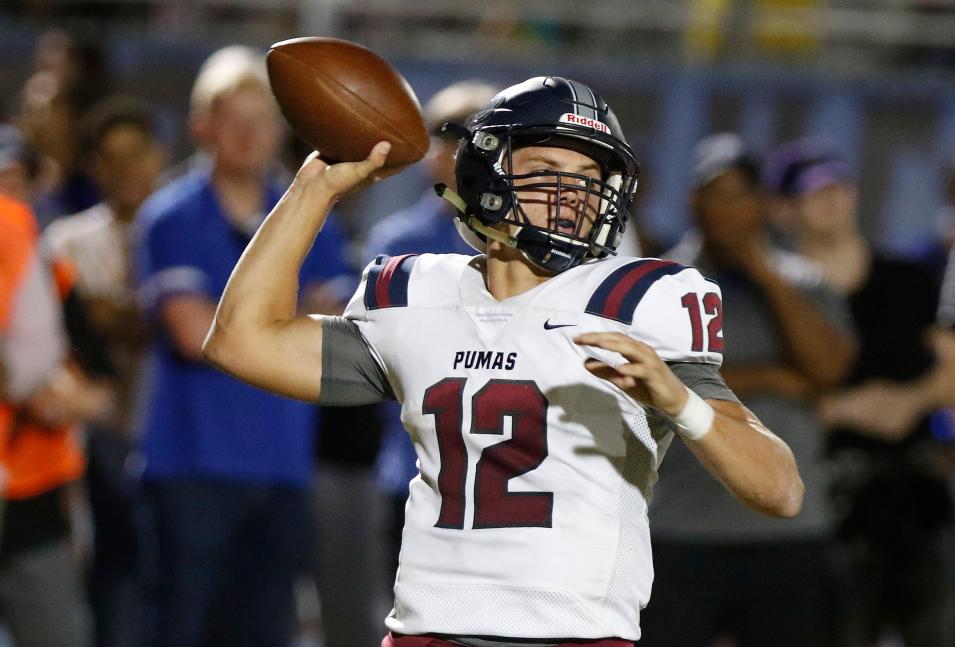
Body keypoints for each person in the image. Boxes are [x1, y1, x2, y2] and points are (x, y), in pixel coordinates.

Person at [203, 76, 803, 645]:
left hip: (577, 635)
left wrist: (678, 399)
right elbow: (241, 340)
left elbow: (780, 491)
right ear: (488, 177)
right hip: (429, 629)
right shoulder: (416, 293)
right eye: (547, 172)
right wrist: (317, 184)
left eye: (589, 178)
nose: (573, 196)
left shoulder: (638, 301)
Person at [133, 46, 348, 647]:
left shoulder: (315, 220)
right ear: (202, 125)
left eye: (264, 119)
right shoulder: (170, 215)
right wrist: (288, 319)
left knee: (264, 631)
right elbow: (191, 333)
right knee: (177, 630)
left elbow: (334, 329)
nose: (251, 135)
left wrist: (258, 324)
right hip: (190, 469)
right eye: (235, 117)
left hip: (282, 468)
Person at [640, 134, 856, 647]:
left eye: (741, 195)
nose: (728, 210)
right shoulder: (659, 283)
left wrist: (767, 275)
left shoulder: (804, 281)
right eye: (716, 194)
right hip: (679, 524)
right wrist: (772, 379)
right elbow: (652, 379)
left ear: (762, 203)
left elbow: (829, 370)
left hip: (789, 530)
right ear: (693, 201)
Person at [766, 139, 955, 647]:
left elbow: (953, 368)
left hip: (919, 492)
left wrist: (909, 403)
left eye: (839, 186)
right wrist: (836, 408)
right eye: (814, 192)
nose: (832, 199)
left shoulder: (909, 279)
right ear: (784, 210)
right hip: (825, 498)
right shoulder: (781, 297)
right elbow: (751, 381)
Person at [361, 78, 497, 587]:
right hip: (418, 473)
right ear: (428, 154)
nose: (463, 152)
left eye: (480, 137)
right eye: (450, 137)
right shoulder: (397, 244)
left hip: (518, 478)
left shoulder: (541, 245)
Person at [44, 95, 166, 647]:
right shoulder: (66, 238)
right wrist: (151, 316)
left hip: (166, 428)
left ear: (160, 157)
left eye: (137, 153)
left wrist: (112, 314)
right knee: (104, 571)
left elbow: (166, 322)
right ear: (92, 166)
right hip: (91, 432)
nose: (126, 170)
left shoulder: (179, 225)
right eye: (110, 157)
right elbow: (77, 328)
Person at [0, 192, 99, 647]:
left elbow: (100, 388)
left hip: (31, 487)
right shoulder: (12, 221)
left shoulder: (21, 232)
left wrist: (69, 397)